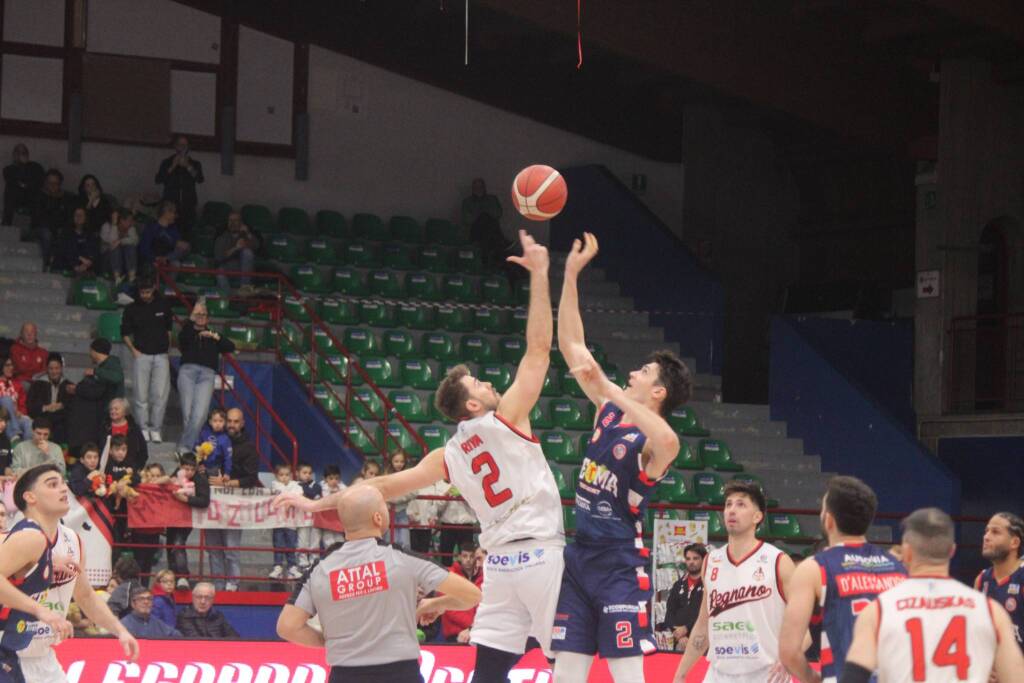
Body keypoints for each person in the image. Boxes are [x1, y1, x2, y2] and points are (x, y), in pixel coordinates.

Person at [276, 229, 565, 682]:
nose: (490, 384)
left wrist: (316, 503)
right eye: (480, 386)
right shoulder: (508, 416)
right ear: (472, 406)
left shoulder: (446, 455)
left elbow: (379, 489)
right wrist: (542, 276)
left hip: (501, 565)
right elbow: (539, 350)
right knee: (565, 662)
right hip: (543, 552)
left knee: (488, 672)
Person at [551, 232, 691, 683]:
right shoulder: (609, 410)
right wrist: (571, 274)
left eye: (643, 371)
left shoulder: (653, 441)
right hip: (579, 558)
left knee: (627, 676)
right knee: (567, 674)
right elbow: (572, 345)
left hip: (617, 565)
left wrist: (610, 388)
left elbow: (670, 444)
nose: (632, 372)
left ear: (658, 392)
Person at [277, 486, 482, 683]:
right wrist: (433, 605)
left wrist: (328, 642)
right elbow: (471, 595)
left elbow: (287, 627)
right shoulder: (401, 557)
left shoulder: (319, 569)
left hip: (344, 674)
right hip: (401, 673)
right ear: (378, 517)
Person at [841, 508, 1024, 683]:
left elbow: (853, 676)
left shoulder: (878, 610)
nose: (986, 536)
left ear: (906, 552)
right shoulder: (991, 611)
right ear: (952, 551)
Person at [10, 464, 139, 680]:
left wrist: (120, 630)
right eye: (52, 484)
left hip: (44, 657)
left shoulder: (72, 540)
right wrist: (42, 608)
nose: (63, 489)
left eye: (63, 483)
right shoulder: (20, 536)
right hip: (8, 655)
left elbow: (86, 596)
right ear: (30, 497)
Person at [780, 476, 907, 683]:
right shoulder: (898, 567)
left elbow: (788, 651)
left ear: (829, 520)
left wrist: (814, 679)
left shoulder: (814, 568)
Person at [673, 482, 796, 683]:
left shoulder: (778, 561)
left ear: (758, 516)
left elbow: (803, 626)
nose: (731, 510)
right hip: (719, 673)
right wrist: (681, 674)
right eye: (728, 504)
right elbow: (703, 624)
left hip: (767, 674)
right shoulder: (711, 561)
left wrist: (788, 658)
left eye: (741, 505)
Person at [204, 407, 258, 591]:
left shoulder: (249, 447)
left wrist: (225, 483)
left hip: (235, 504)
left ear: (242, 423)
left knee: (231, 547)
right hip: (212, 503)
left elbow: (251, 479)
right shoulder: (213, 440)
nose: (232, 425)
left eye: (236, 421)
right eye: (230, 421)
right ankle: (218, 584)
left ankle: (233, 583)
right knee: (213, 548)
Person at [176, 300, 235, 454]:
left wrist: (214, 336)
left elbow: (230, 346)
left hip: (207, 375)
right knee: (188, 414)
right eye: (198, 314)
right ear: (193, 316)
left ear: (208, 319)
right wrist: (192, 318)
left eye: (204, 315)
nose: (201, 317)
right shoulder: (188, 331)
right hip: (187, 372)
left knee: (200, 414)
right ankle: (187, 448)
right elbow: (181, 339)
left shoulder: (213, 334)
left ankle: (184, 447)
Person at [121, 277, 173, 443]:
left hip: (161, 355)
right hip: (141, 354)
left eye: (148, 292)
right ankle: (143, 428)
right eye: (142, 292)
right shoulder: (131, 308)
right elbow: (124, 333)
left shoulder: (163, 305)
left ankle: (156, 429)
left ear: (154, 289)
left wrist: (167, 349)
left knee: (160, 395)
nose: (145, 295)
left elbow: (169, 329)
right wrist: (134, 351)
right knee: (140, 394)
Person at [974, 511, 1024, 647]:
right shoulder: (981, 580)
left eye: (995, 532)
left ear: (1014, 542)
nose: (986, 537)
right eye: (986, 531)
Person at [67, 338, 125, 455]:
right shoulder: (102, 367)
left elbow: (117, 377)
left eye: (90, 351)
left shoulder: (111, 363)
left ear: (94, 351)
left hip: (110, 410)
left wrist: (95, 372)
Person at [165, 453, 210, 590]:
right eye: (186, 469)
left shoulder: (200, 480)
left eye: (192, 469)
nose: (189, 472)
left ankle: (183, 577)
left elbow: (204, 501)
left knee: (178, 543)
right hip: (172, 517)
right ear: (180, 467)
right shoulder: (176, 475)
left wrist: (187, 500)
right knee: (170, 545)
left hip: (187, 518)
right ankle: (172, 577)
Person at [658, 543, 707, 652]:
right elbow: (669, 613)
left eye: (695, 558)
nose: (691, 562)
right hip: (680, 641)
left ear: (704, 560)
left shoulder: (709, 584)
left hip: (702, 641)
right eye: (688, 559)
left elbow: (708, 613)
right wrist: (679, 635)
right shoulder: (678, 584)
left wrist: (687, 628)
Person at [155, 136, 203, 233]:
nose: (183, 147)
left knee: (187, 233)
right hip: (170, 205)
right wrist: (173, 166)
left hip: (188, 205)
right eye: (180, 145)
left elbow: (199, 179)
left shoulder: (195, 163)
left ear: (188, 147)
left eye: (185, 145)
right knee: (169, 233)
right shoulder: (167, 162)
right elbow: (158, 180)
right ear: (175, 147)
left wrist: (188, 166)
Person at [461, 178, 510, 269]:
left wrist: (482, 211)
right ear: (472, 188)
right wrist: (481, 212)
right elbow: (467, 219)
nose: (478, 189)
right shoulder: (467, 202)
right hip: (475, 232)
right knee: (483, 217)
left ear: (484, 187)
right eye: (476, 186)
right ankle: (502, 242)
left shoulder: (492, 199)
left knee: (486, 219)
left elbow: (497, 214)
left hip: (489, 232)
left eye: (480, 186)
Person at [31, 168, 74, 270]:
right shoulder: (38, 195)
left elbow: (67, 217)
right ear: (45, 183)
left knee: (66, 233)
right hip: (39, 229)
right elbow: (39, 218)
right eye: (50, 183)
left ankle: (59, 265)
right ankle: (45, 265)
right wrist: (52, 199)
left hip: (58, 228)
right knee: (47, 234)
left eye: (56, 183)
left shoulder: (65, 198)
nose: (53, 186)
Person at [442, 543, 486, 643]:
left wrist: (473, 628)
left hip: (478, 632)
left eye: (471, 556)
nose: (468, 560)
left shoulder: (484, 577)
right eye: (465, 556)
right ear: (459, 557)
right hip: (455, 633)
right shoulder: (449, 575)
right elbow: (450, 608)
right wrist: (472, 626)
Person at [26, 353, 74, 445]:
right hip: (42, 418)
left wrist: (61, 405)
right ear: (47, 369)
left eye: (57, 368)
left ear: (61, 369)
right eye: (51, 368)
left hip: (61, 419)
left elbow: (72, 406)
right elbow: (30, 407)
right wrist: (45, 407)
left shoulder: (68, 386)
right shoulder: (37, 384)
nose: (54, 371)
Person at [269, 463, 303, 580]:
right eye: (281, 475)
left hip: (291, 523)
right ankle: (277, 567)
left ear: (291, 475)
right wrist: (289, 498)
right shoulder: (274, 485)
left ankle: (292, 568)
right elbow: (280, 492)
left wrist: (289, 500)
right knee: (278, 545)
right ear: (276, 476)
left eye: (287, 475)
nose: (284, 477)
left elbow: (299, 492)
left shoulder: (296, 485)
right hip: (278, 523)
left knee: (291, 545)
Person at [213, 212, 262, 294]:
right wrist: (236, 248)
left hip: (246, 272)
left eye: (235, 220)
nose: (232, 223)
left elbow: (257, 246)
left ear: (241, 223)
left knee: (247, 252)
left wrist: (248, 234)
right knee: (219, 272)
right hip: (228, 269)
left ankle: (244, 290)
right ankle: (228, 300)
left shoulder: (246, 236)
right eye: (230, 220)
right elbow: (219, 257)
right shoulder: (222, 237)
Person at [138, 201, 189, 272]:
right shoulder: (151, 228)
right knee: (175, 263)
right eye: (173, 213)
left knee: (184, 250)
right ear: (166, 213)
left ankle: (166, 258)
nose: (175, 216)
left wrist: (178, 244)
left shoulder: (173, 228)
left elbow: (179, 248)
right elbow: (144, 248)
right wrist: (155, 258)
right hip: (153, 259)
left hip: (168, 258)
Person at [436, 478, 477, 566]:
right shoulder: (440, 485)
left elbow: (476, 504)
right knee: (446, 556)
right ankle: (446, 578)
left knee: (467, 557)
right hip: (447, 525)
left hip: (466, 525)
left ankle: (467, 578)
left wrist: (463, 496)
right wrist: (446, 495)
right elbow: (438, 508)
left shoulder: (468, 482)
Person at [101, 398, 148, 472]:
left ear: (125, 412)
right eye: (111, 409)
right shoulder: (104, 427)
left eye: (116, 409)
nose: (113, 411)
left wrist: (136, 468)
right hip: (108, 469)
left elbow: (143, 451)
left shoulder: (134, 428)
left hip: (130, 468)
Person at [3, 144, 44, 225]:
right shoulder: (7, 170)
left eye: (23, 152)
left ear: (28, 155)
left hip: (32, 205)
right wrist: (23, 166)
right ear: (14, 155)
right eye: (18, 152)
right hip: (14, 206)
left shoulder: (36, 167)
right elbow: (13, 182)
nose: (21, 155)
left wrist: (24, 185)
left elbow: (38, 183)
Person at [383, 450, 415, 550]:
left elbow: (414, 492)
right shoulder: (385, 476)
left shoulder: (408, 475)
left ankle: (405, 564)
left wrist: (395, 498)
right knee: (388, 542)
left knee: (405, 543)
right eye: (396, 461)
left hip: (402, 512)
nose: (399, 464)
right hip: (388, 513)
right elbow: (383, 493)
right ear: (391, 461)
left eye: (402, 461)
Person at [100, 208, 139, 285]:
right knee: (116, 249)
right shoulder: (106, 226)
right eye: (129, 220)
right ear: (122, 220)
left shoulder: (131, 228)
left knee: (130, 247)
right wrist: (114, 225)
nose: (131, 222)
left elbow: (135, 240)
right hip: (107, 260)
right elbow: (112, 243)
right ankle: (117, 278)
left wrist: (121, 241)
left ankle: (132, 277)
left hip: (123, 260)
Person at [296, 462, 322, 568]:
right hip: (302, 519)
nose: (307, 475)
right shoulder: (294, 485)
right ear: (297, 473)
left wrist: (302, 488)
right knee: (302, 542)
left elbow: (312, 493)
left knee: (315, 542)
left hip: (315, 518)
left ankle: (314, 561)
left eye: (309, 473)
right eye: (304, 472)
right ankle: (302, 562)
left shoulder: (315, 485)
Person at [194, 408, 232, 479]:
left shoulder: (225, 439)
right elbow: (196, 445)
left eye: (221, 421)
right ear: (210, 422)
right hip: (202, 464)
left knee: (205, 476)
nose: (218, 423)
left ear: (225, 423)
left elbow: (228, 457)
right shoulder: (204, 433)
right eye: (215, 421)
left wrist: (227, 473)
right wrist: (199, 449)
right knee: (193, 470)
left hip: (216, 467)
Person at [0, 358, 32, 442]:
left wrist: (21, 412)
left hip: (15, 417)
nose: (11, 368)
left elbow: (22, 404)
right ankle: (15, 434)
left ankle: (25, 450)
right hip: (1, 418)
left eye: (12, 365)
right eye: (7, 365)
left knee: (28, 422)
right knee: (6, 399)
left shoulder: (17, 384)